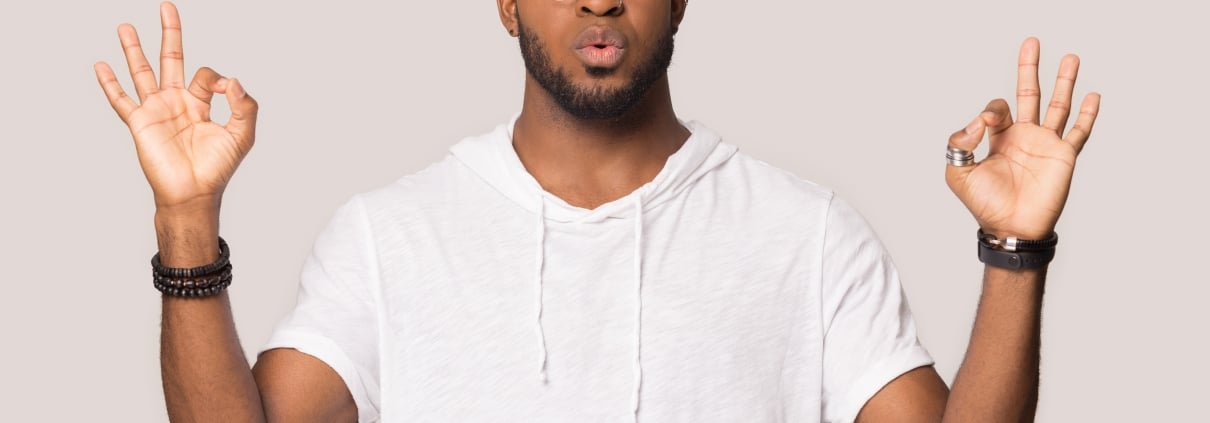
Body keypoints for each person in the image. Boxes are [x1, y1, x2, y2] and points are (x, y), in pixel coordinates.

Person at [93, 1, 1100, 422]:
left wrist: (1015, 249)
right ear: (505, 3)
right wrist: (186, 217)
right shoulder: (387, 235)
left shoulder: (808, 234)